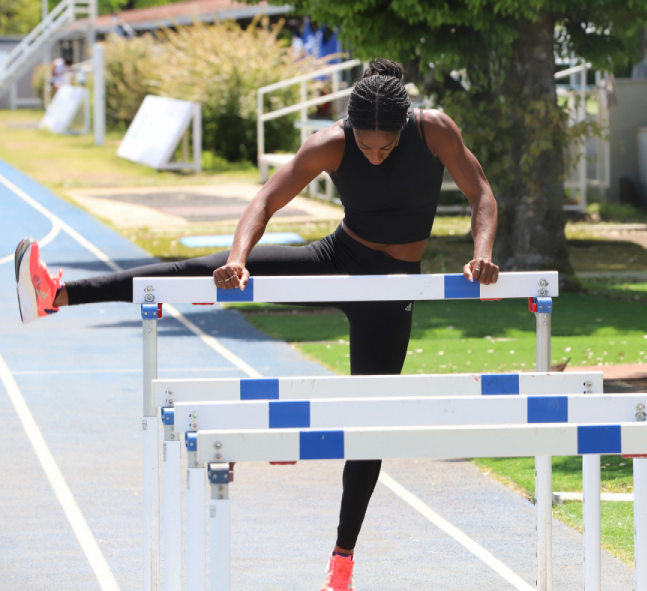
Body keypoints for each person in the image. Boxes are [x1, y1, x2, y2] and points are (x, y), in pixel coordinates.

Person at [14, 58, 500, 591]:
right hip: (337, 260)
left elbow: (481, 195)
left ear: (405, 129)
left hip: (392, 289)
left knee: (370, 422)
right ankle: (55, 294)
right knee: (198, 272)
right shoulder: (328, 143)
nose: (376, 156)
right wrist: (239, 259)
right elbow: (266, 198)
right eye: (366, 147)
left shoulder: (435, 130)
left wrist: (481, 254)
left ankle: (342, 563)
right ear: (349, 128)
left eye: (386, 148)